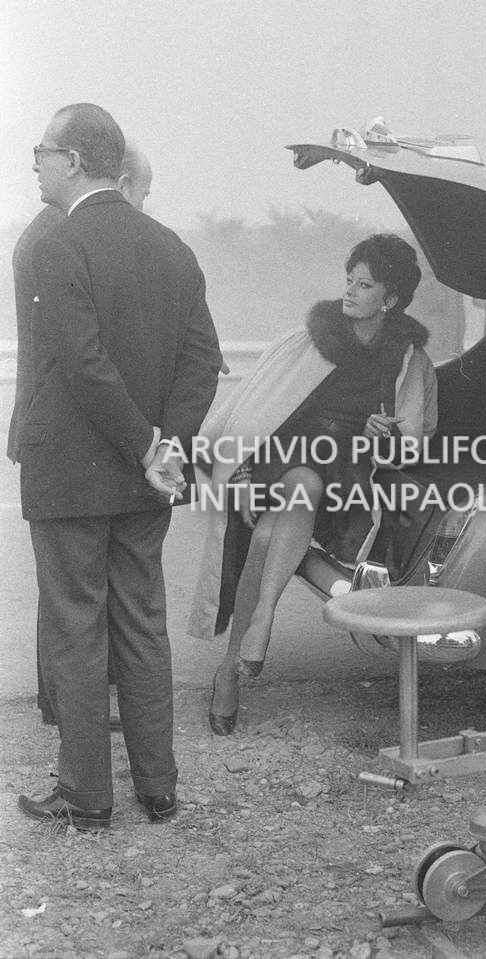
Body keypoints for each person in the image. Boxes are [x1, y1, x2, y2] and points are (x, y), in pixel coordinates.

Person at [17, 103, 222, 829]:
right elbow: (203, 361)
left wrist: (145, 444)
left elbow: (79, 362)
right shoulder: (172, 248)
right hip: (146, 484)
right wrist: (168, 446)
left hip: (71, 477)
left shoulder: (56, 246)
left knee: (77, 628)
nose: (33, 162)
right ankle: (158, 790)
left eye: (41, 151)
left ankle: (86, 797)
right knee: (142, 623)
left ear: (73, 160)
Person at [188, 234, 437, 735]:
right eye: (349, 279)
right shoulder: (311, 339)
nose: (349, 291)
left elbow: (414, 443)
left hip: (346, 480)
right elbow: (252, 410)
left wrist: (379, 439)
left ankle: (232, 667)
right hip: (277, 464)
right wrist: (236, 472)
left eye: (363, 284)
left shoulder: (409, 361)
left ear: (389, 300)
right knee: (301, 478)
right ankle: (258, 628)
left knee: (266, 537)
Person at [8, 141, 154, 727]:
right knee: (80, 591)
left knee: (65, 587)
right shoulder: (61, 239)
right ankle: (74, 706)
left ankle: (63, 701)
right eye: (141, 194)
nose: (141, 208)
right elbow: (83, 352)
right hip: (75, 427)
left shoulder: (47, 233)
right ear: (119, 182)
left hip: (47, 421)